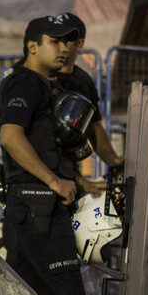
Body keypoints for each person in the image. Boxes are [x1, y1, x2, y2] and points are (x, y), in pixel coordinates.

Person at [0, 16, 121, 295]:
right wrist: (54, 181)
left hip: (40, 204)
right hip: (37, 206)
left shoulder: (47, 85)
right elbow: (11, 137)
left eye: (69, 41)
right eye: (55, 41)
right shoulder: (24, 82)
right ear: (33, 46)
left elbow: (48, 149)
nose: (64, 48)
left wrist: (78, 180)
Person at [51, 13, 123, 195]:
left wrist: (114, 160)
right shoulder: (36, 73)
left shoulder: (83, 82)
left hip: (68, 173)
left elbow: (93, 126)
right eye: (55, 38)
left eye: (66, 38)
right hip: (37, 176)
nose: (60, 44)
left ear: (79, 43)